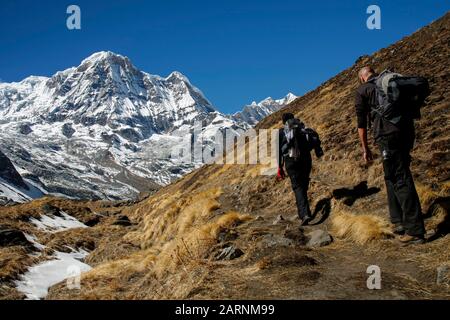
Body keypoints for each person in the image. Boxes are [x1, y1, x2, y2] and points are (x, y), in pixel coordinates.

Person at [355, 66, 426, 245]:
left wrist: (365, 148)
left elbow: (361, 124)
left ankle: (415, 230)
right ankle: (398, 221)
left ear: (362, 78)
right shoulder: (388, 83)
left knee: (400, 177)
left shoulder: (363, 90)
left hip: (387, 136)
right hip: (406, 131)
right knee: (392, 175)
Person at [277, 113, 323, 226]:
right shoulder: (303, 128)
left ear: (284, 122)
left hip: (290, 161)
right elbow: (313, 139)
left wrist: (280, 167)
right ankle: (304, 210)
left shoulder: (281, 132)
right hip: (306, 159)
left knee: (297, 187)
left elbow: (279, 152)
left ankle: (304, 214)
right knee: (303, 183)